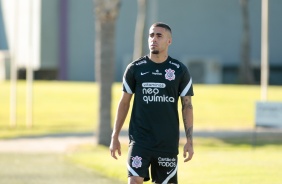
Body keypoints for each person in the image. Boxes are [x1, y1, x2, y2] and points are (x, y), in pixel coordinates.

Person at [110, 22, 194, 184]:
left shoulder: (179, 70)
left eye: (159, 35)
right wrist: (115, 136)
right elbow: (124, 103)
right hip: (140, 140)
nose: (153, 39)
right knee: (134, 181)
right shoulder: (135, 68)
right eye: (151, 35)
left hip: (167, 142)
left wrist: (189, 141)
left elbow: (187, 106)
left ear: (169, 41)